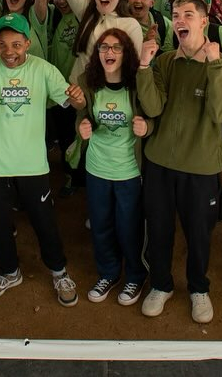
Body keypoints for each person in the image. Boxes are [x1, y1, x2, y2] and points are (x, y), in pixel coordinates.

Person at [137, 0, 222, 324]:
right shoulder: (164, 61)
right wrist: (144, 66)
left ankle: (198, 289)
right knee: (160, 229)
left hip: (202, 168)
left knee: (199, 234)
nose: (180, 21)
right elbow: (152, 107)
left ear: (204, 21)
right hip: (160, 165)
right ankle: (161, 285)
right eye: (176, 15)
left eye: (188, 15)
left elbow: (221, 111)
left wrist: (213, 65)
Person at [0, 13, 81, 307]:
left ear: (28, 43)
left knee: (44, 221)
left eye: (16, 44)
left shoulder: (43, 69)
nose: (9, 52)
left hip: (32, 163)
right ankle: (9, 272)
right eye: (3, 44)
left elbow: (70, 101)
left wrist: (78, 97)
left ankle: (59, 271)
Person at [70, 27, 150, 307]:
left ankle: (135, 276)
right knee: (101, 225)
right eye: (104, 47)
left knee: (128, 227)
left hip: (128, 170)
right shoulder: (88, 83)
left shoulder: (136, 85)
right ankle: (109, 273)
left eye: (116, 47)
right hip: (97, 168)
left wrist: (147, 126)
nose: (109, 52)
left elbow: (154, 112)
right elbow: (82, 115)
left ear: (126, 53)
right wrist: (81, 125)